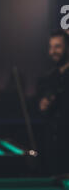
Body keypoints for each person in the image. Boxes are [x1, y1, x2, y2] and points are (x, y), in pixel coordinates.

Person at [37, 30, 69, 175]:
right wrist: (42, 106)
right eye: (51, 47)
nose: (52, 51)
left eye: (58, 47)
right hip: (51, 151)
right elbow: (40, 112)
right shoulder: (47, 78)